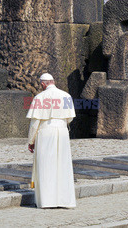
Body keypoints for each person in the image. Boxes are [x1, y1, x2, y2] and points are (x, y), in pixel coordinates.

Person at [26, 73, 76, 208]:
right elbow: (70, 117)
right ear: (52, 81)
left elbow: (35, 122)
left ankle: (47, 201)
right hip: (63, 131)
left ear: (43, 84)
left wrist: (31, 140)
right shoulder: (66, 95)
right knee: (62, 164)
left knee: (46, 165)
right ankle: (65, 200)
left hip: (46, 132)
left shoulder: (40, 97)